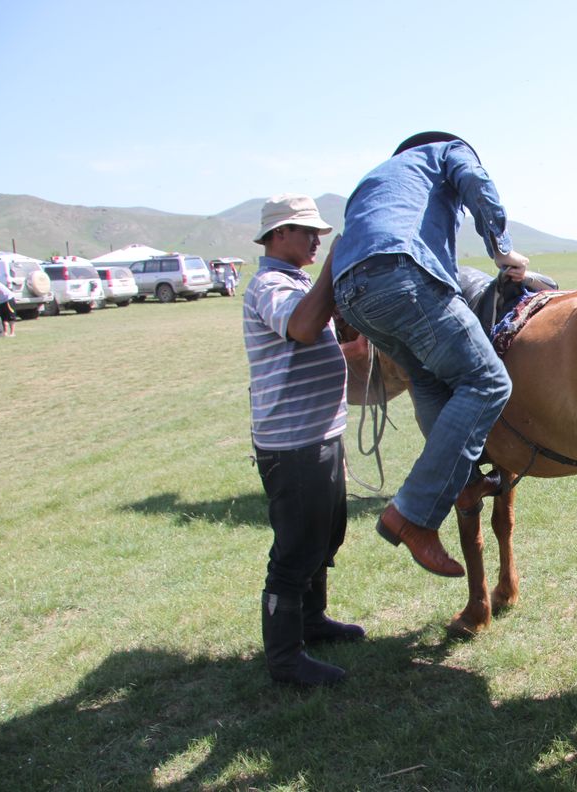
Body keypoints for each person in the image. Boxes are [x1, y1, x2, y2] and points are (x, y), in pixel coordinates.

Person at [332, 132, 529, 578]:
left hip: (354, 295)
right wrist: (502, 251)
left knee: (426, 378)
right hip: (401, 275)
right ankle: (413, 515)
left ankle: (461, 482)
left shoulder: (377, 180)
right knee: (488, 381)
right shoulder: (445, 152)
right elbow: (475, 180)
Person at [243, 193, 364, 687]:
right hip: (293, 445)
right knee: (295, 551)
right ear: (276, 235)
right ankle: (285, 659)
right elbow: (300, 325)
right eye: (305, 230)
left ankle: (311, 622)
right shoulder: (270, 284)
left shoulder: (292, 281)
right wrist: (334, 266)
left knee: (324, 536)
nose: (316, 238)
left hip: (318, 433)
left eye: (319, 233)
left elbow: (310, 336)